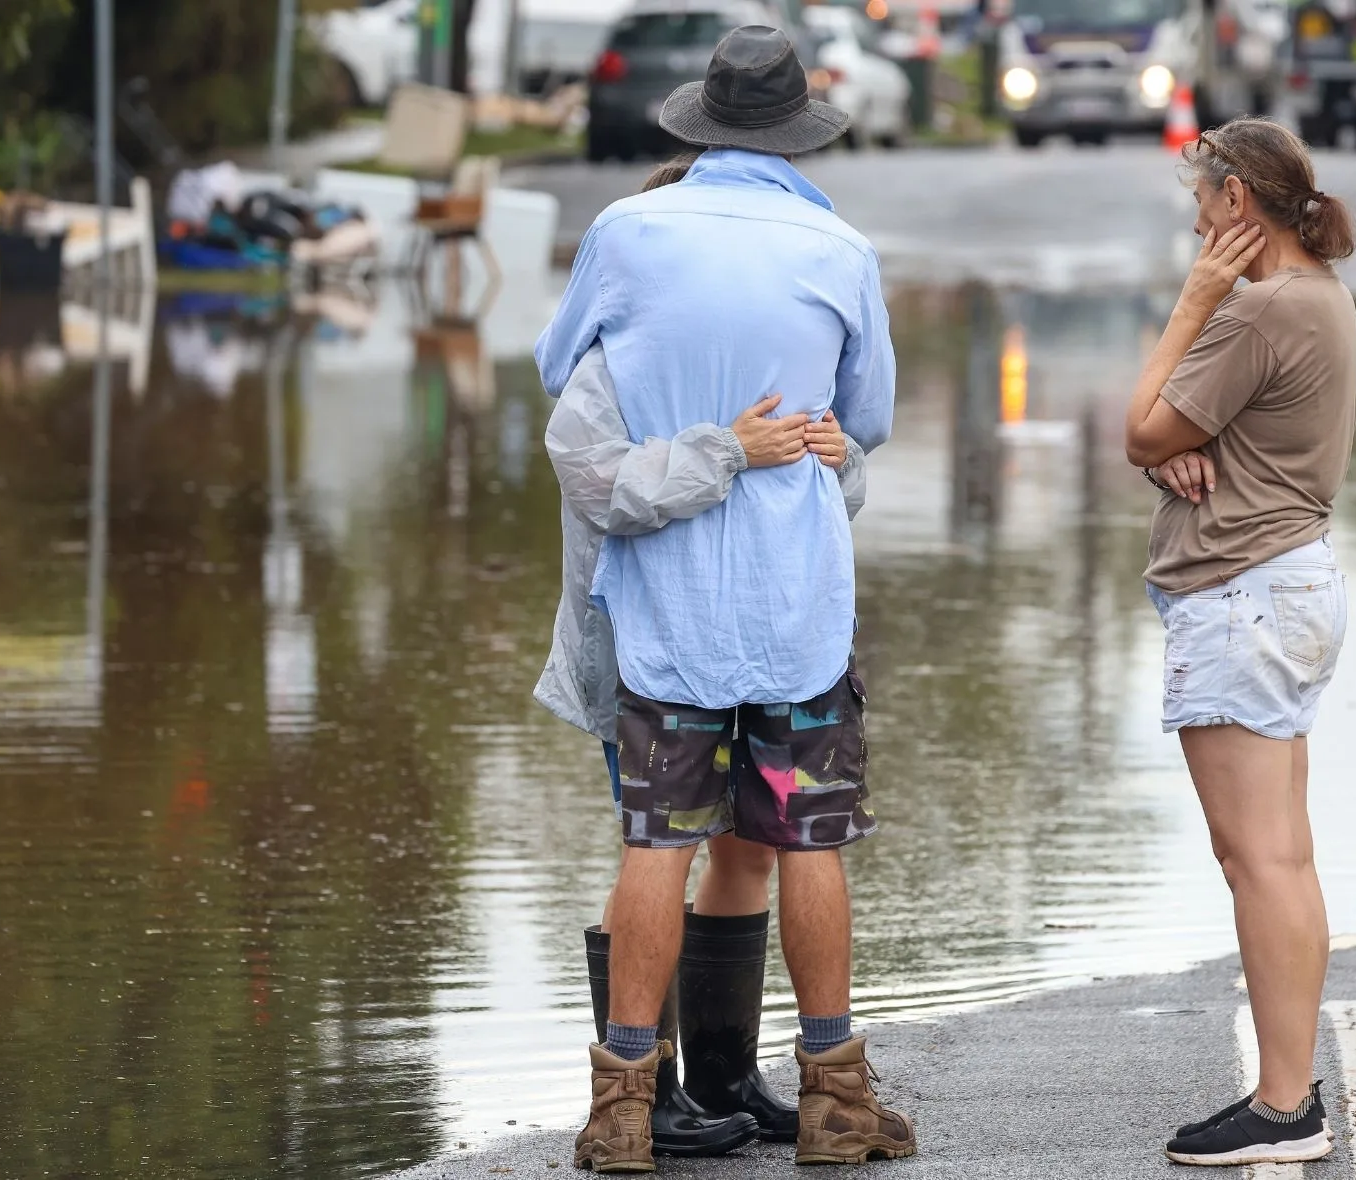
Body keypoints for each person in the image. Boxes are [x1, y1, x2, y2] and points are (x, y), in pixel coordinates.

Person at [536, 24, 915, 1173]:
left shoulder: (623, 232)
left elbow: (565, 371)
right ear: (802, 128)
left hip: (667, 618)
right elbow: (870, 420)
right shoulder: (837, 247)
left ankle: (621, 1112)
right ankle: (837, 1105)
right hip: (796, 617)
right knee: (807, 840)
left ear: (701, 122)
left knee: (656, 844)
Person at [1122, 116, 1356, 1168]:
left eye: (1199, 200)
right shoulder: (1318, 299)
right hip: (1286, 585)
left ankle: (1283, 1106)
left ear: (1236, 205)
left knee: (1257, 859)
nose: (1194, 218)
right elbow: (1177, 437)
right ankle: (1290, 1088)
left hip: (1241, 596)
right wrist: (1181, 441)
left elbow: (1140, 427)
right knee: (1280, 855)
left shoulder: (1259, 307)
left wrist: (1191, 304)